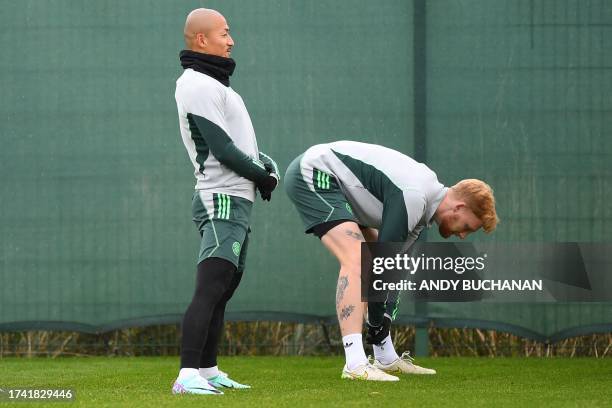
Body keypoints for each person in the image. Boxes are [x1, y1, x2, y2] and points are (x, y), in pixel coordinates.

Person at [284, 140, 498, 381]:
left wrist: (382, 320)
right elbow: (382, 268)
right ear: (459, 207)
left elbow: (395, 268)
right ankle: (355, 364)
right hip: (316, 172)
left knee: (375, 257)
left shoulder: (424, 204)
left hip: (342, 189)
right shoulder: (415, 197)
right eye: (467, 227)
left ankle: (384, 356)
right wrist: (376, 322)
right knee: (359, 260)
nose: (462, 235)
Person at [172, 8, 279, 395]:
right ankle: (186, 377)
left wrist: (266, 168)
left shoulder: (217, 85)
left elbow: (242, 148)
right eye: (224, 33)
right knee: (210, 288)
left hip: (237, 200)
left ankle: (208, 370)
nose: (231, 40)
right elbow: (221, 150)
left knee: (223, 290)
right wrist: (262, 175)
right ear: (202, 39)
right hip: (220, 201)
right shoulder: (197, 83)